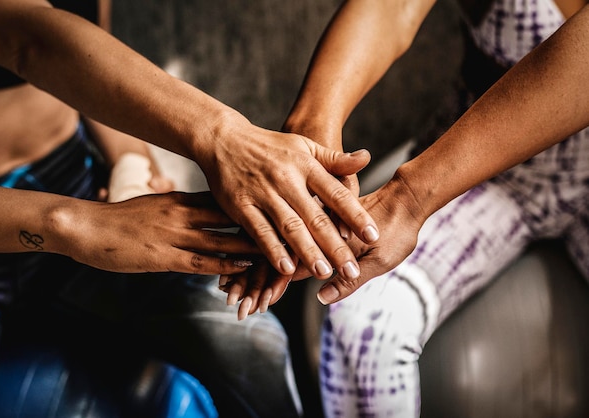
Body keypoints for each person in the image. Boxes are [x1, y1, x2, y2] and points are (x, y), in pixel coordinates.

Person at [0, 0, 383, 415]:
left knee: (254, 349)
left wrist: (130, 164)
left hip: (79, 182)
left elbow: (82, 65)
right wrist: (75, 225)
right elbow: (30, 41)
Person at [222, 0, 589, 416]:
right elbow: (392, 8)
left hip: (446, 181)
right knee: (362, 325)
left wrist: (411, 196)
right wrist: (311, 130)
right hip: (488, 174)